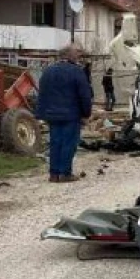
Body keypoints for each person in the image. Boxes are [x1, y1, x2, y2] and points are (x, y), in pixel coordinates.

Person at [36, 44, 93, 183]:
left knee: (55, 143)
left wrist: (42, 113)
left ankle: (54, 173)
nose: (78, 56)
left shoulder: (48, 71)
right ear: (70, 56)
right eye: (77, 53)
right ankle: (65, 173)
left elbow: (42, 93)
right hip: (71, 114)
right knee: (69, 143)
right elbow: (85, 95)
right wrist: (86, 114)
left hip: (52, 115)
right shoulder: (76, 72)